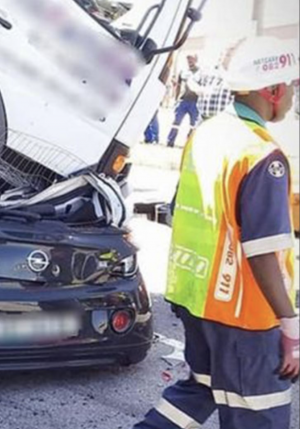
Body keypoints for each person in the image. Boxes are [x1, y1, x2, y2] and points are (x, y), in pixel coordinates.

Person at [134, 37, 299, 429]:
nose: (294, 94)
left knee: (203, 390)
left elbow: (186, 208)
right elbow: (261, 251)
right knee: (259, 412)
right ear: (272, 90)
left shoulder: (207, 133)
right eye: (292, 85)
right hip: (245, 315)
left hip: (197, 301)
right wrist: (290, 325)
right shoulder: (262, 155)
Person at [166, 54, 203, 147]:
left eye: (191, 59)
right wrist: (175, 98)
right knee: (176, 122)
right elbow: (178, 86)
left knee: (194, 124)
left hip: (195, 102)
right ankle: (170, 141)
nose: (189, 61)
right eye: (188, 59)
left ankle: (189, 144)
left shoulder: (201, 72)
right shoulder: (183, 72)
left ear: (196, 60)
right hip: (182, 101)